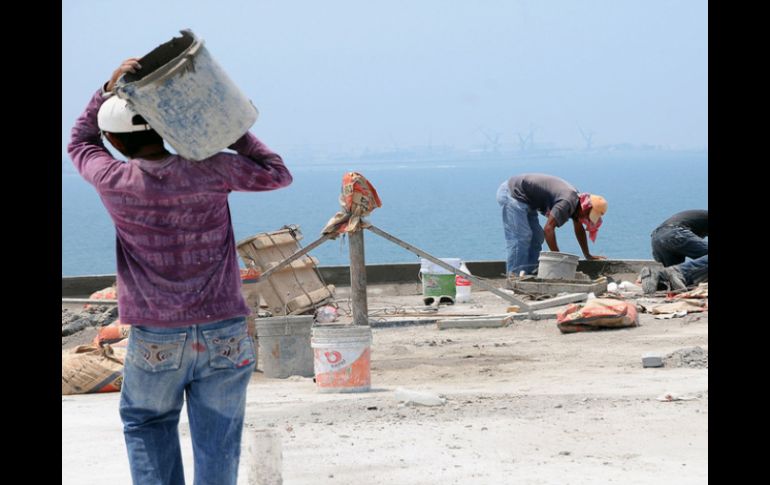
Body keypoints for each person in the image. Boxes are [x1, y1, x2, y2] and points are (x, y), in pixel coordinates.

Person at [67, 58, 293, 485]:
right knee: (219, 439)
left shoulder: (113, 179)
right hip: (225, 328)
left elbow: (80, 141)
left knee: (147, 425)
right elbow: (277, 173)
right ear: (164, 126)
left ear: (114, 140)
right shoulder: (212, 167)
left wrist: (107, 87)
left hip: (156, 335)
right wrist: (228, 128)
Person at [495, 173, 608, 276]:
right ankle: (514, 276)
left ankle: (529, 271)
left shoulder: (578, 203)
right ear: (585, 208)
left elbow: (579, 228)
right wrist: (558, 260)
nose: (586, 219)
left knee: (537, 236)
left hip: (528, 200)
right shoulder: (567, 202)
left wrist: (587, 254)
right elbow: (548, 230)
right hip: (512, 193)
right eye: (588, 216)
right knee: (521, 237)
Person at [641, 210, 708, 294]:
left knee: (672, 280)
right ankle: (680, 272)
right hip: (675, 233)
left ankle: (658, 277)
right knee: (680, 273)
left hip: (657, 239)